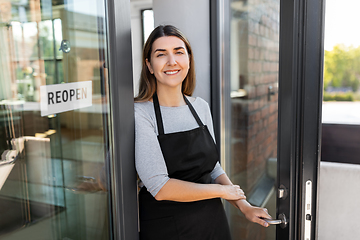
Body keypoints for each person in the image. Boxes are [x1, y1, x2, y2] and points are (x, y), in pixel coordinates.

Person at [134, 25, 271, 240]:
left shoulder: (200, 107)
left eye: (179, 52)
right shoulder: (141, 112)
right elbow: (160, 187)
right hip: (166, 227)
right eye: (161, 54)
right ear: (149, 66)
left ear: (188, 59)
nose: (172, 61)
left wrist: (244, 206)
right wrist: (221, 192)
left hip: (211, 221)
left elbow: (213, 168)